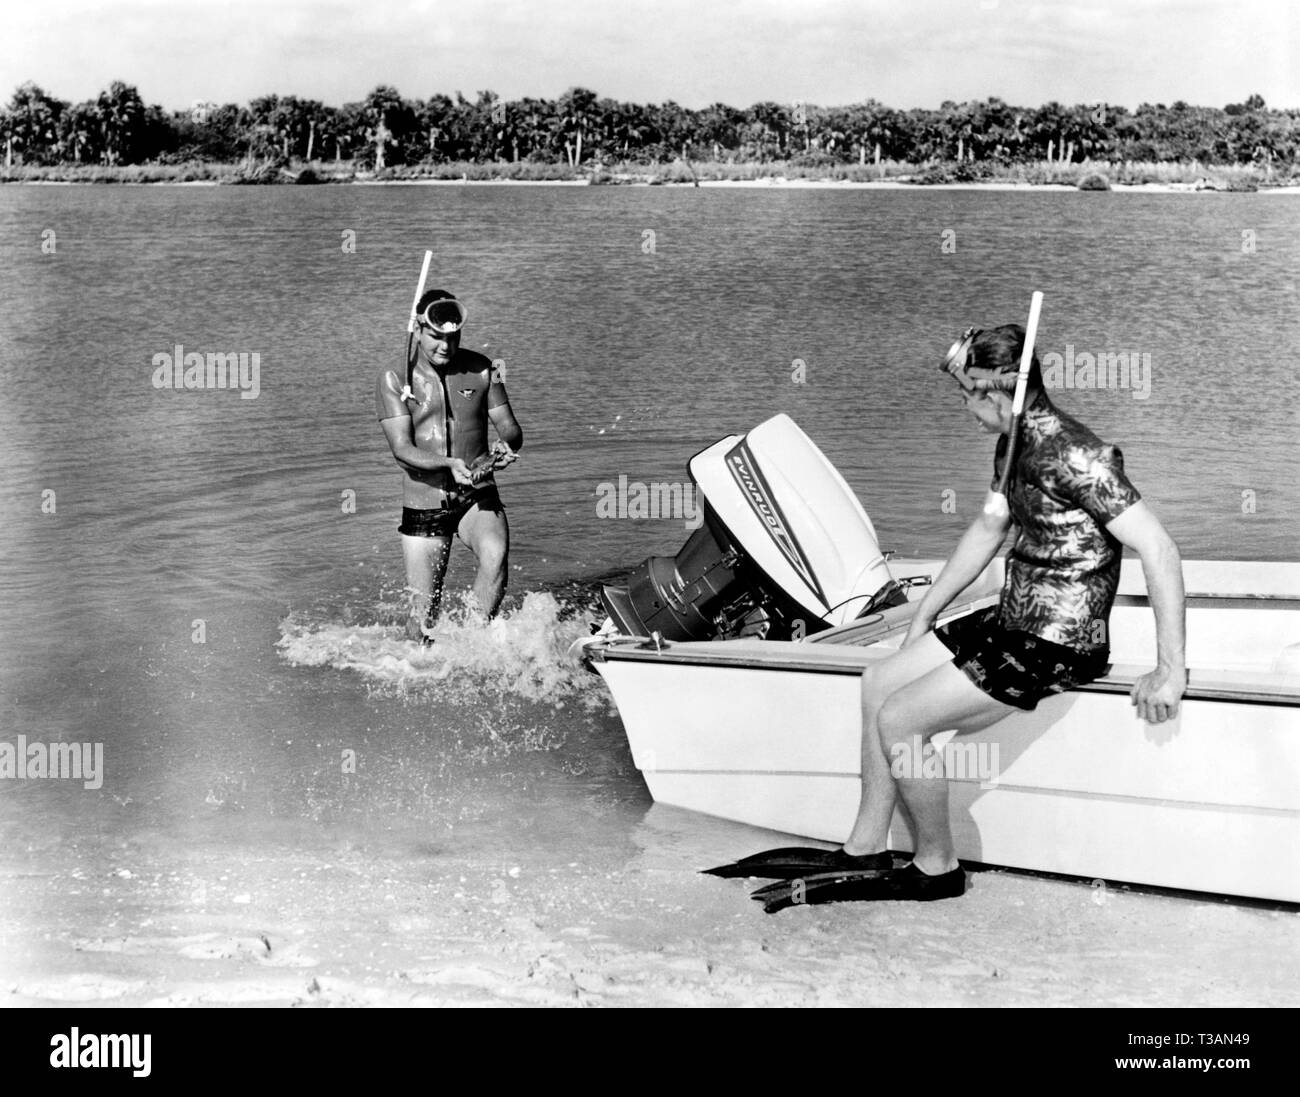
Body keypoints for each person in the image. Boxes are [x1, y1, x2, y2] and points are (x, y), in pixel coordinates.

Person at [735, 324, 1186, 909]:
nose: (967, 409)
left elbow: (1158, 547)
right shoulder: (1012, 445)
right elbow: (989, 528)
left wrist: (1169, 669)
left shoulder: (1078, 455)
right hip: (1012, 619)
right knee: (879, 682)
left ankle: (936, 867)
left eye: (971, 395)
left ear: (999, 393)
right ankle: (865, 849)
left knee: (902, 721)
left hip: (1058, 640)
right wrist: (925, 611)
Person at [375, 289, 523, 642]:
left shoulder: (485, 370)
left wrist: (506, 446)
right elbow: (402, 449)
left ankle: (473, 643)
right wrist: (447, 463)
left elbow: (510, 427)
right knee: (423, 619)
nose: (445, 346)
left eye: (452, 338)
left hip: (476, 492)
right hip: (425, 502)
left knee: (495, 553)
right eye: (436, 337)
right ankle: (420, 663)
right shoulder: (395, 379)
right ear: (419, 331)